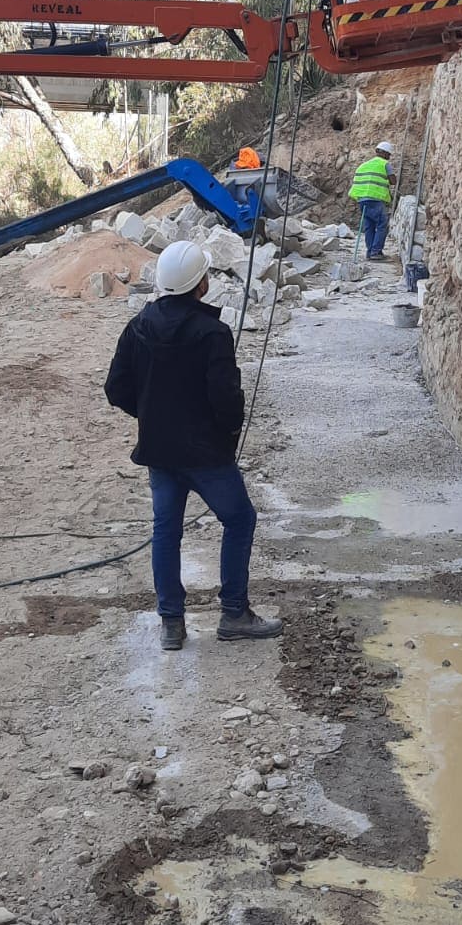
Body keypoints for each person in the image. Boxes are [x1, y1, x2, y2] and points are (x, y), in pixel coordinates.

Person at [104, 240, 283, 651]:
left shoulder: (138, 326)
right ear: (199, 285)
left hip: (159, 452)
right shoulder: (213, 333)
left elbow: (116, 388)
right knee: (239, 520)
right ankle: (234, 613)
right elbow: (225, 396)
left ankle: (171, 623)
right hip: (205, 453)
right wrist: (227, 434)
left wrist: (149, 415)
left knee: (166, 531)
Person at [348, 141, 396, 260]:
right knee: (381, 224)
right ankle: (376, 252)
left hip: (361, 199)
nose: (389, 157)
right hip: (375, 199)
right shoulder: (385, 164)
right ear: (385, 153)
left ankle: (370, 252)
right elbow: (393, 181)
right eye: (389, 154)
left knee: (369, 225)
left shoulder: (363, 165)